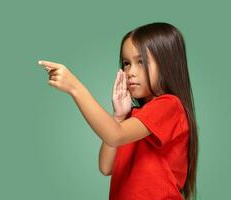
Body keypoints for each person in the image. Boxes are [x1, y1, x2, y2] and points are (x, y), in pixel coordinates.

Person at [37, 22, 198, 200]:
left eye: (141, 61)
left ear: (168, 63)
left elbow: (114, 135)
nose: (130, 72)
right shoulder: (134, 118)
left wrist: (76, 88)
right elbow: (106, 167)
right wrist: (119, 116)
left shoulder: (169, 105)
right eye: (126, 63)